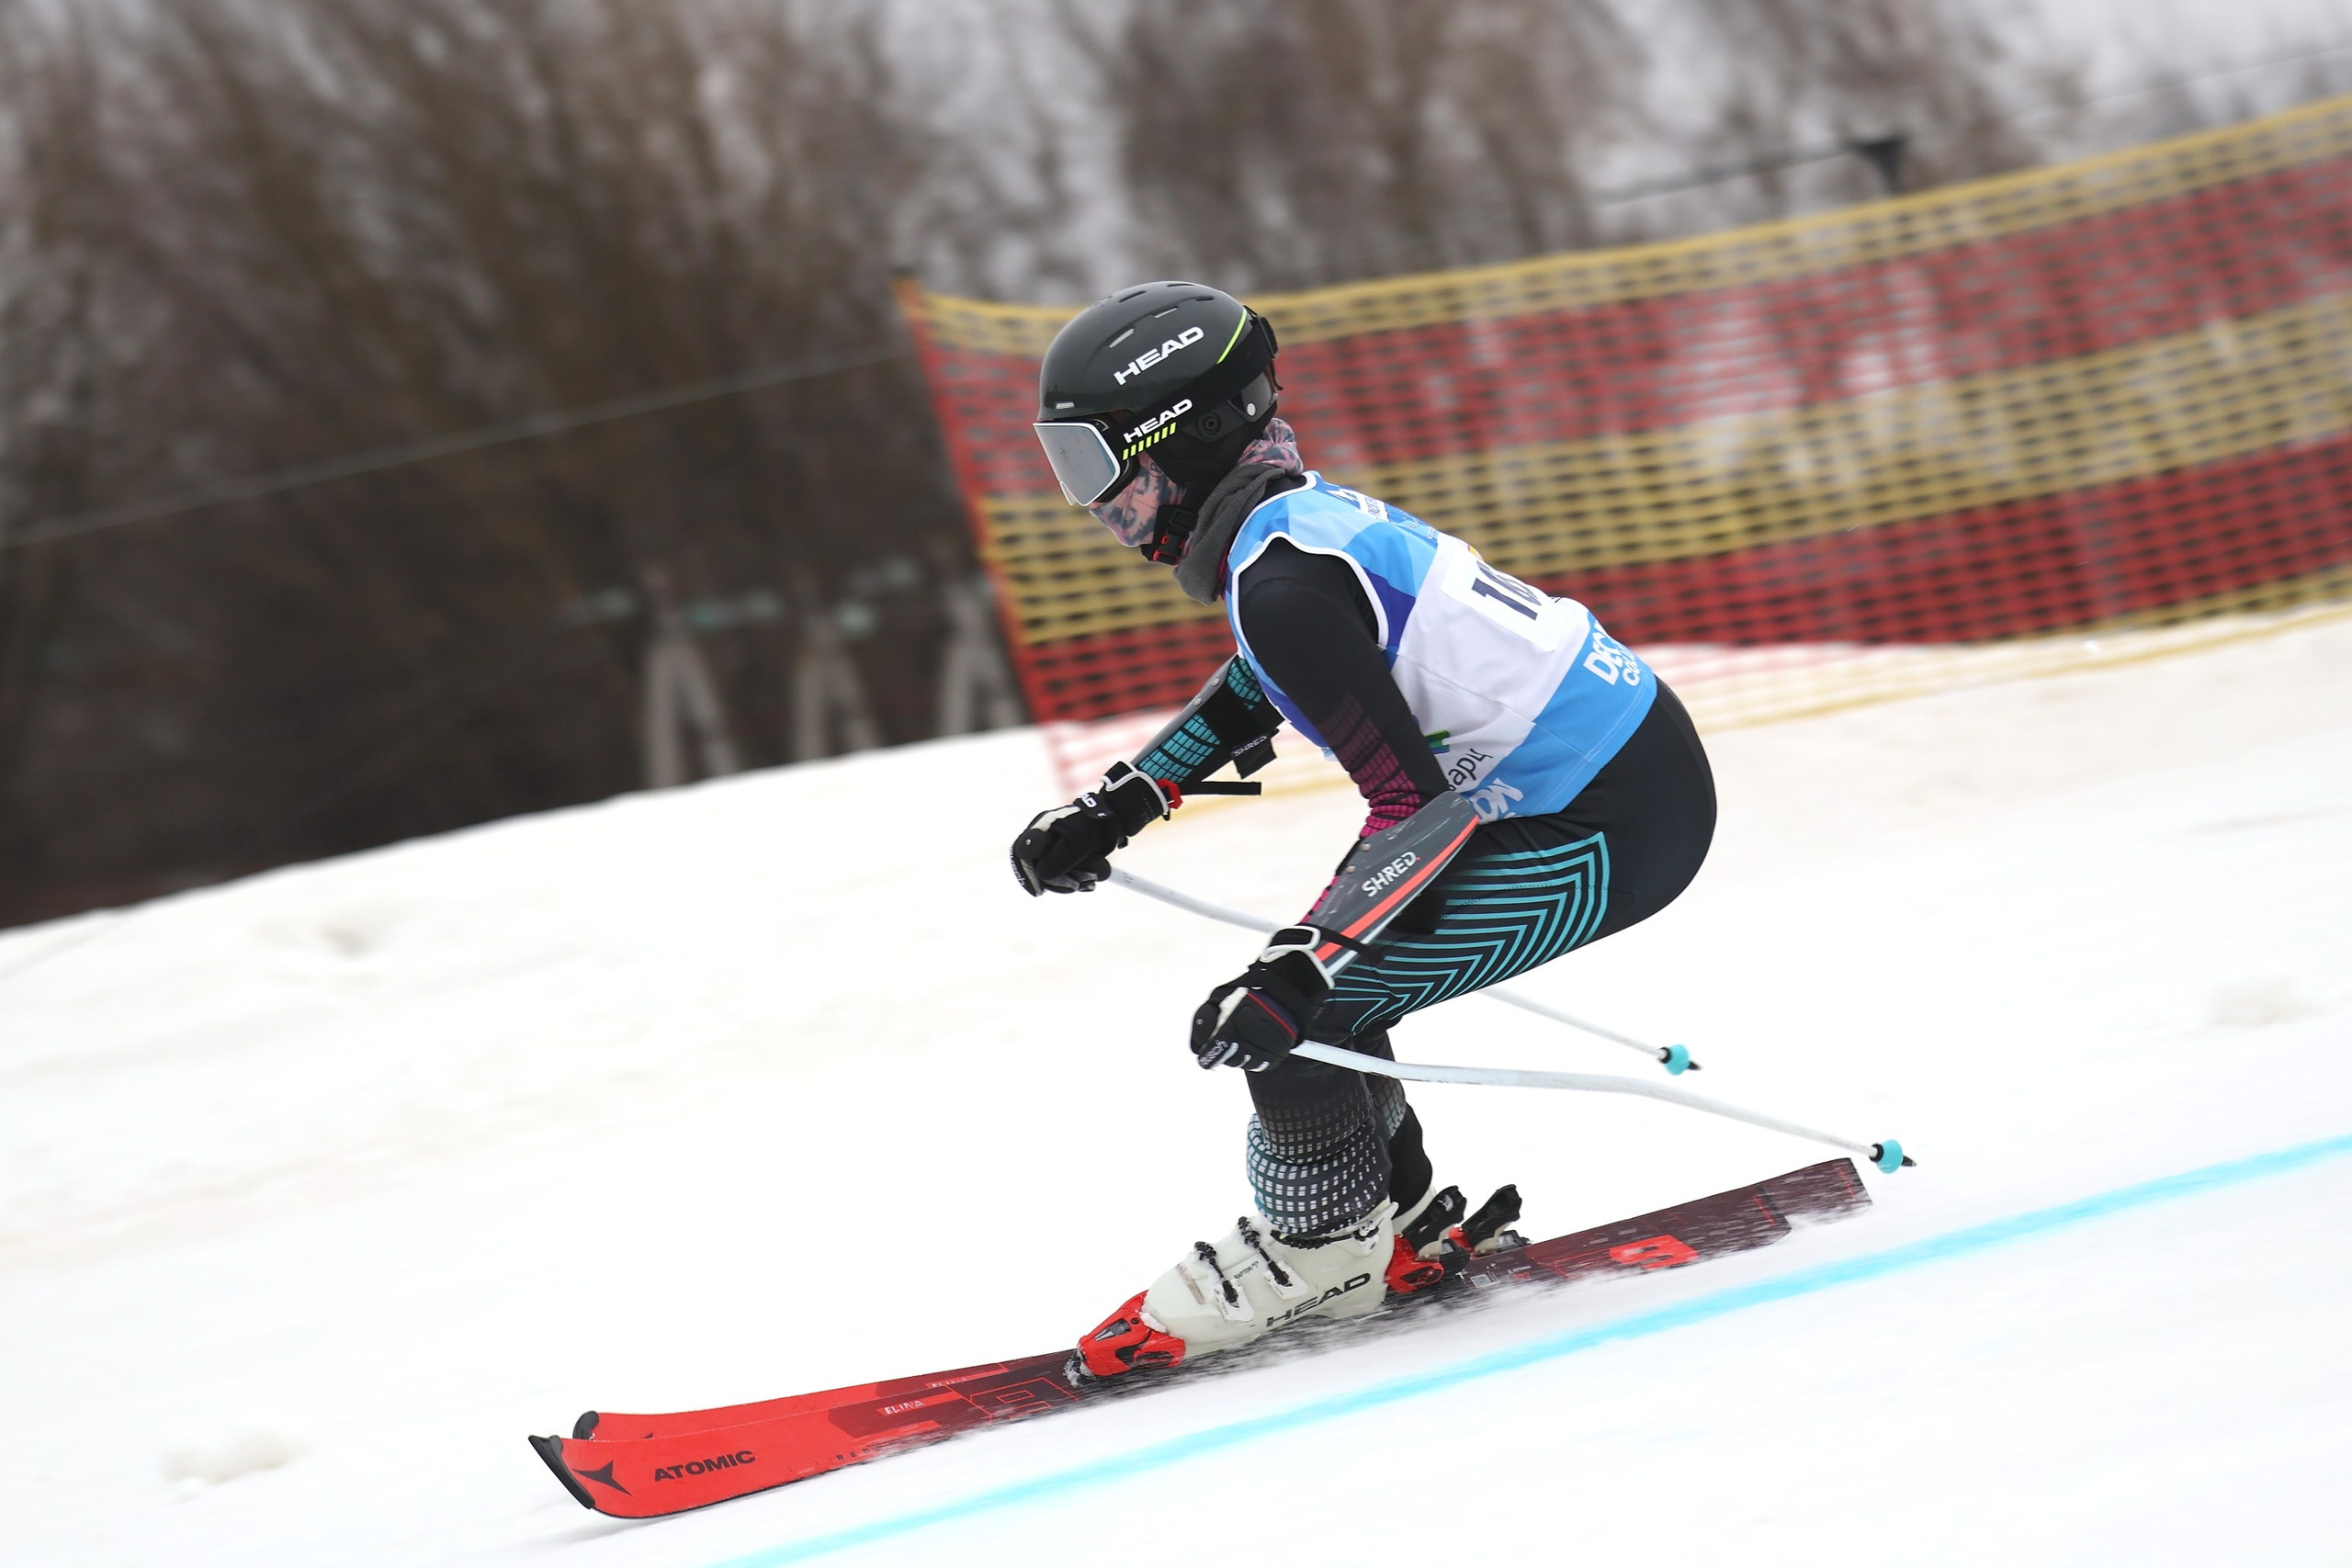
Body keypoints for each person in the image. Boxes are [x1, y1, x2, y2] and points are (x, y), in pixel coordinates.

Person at [1011, 281, 1717, 1380]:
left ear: (1179, 443)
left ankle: (1323, 1246)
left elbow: (1419, 809)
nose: (1087, 505)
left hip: (1617, 815)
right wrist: (1122, 801)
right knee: (1327, 978)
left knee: (1299, 1004)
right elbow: (1265, 687)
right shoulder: (1290, 540)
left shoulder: (1281, 581)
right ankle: (1389, 1222)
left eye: (1095, 468)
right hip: (1616, 770)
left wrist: (1297, 971)